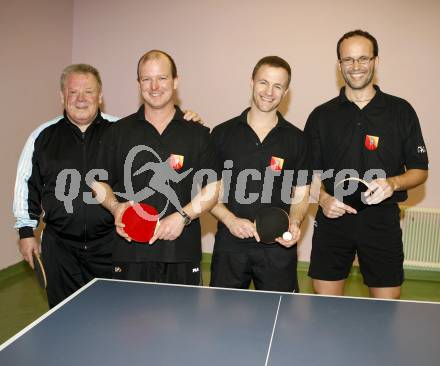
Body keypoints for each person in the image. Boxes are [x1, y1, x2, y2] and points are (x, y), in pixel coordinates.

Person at [13, 63, 201, 307]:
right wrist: (26, 232)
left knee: (115, 319)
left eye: (89, 92)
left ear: (100, 96)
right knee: (64, 318)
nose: (81, 99)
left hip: (110, 245)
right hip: (60, 250)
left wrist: (187, 121)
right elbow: (27, 185)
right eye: (73, 92)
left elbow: (160, 146)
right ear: (62, 96)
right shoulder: (42, 136)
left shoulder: (121, 130)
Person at [304, 30, 429, 299]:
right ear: (339, 65)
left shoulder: (401, 111)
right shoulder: (321, 116)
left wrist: (393, 183)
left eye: (363, 58)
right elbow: (309, 175)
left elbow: (420, 170)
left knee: (385, 310)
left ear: (376, 61)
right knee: (326, 309)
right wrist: (323, 199)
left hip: (382, 221)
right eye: (348, 60)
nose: (356, 67)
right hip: (333, 220)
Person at [93, 50, 221, 285]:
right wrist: (115, 208)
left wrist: (183, 217)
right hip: (131, 253)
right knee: (129, 322)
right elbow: (97, 181)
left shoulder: (198, 133)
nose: (154, 86)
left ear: (175, 82)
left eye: (162, 78)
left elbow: (213, 187)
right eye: (146, 79)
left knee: (185, 322)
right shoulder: (118, 132)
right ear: (138, 83)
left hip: (182, 254)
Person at [209, 56, 311, 292]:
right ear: (252, 82)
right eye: (263, 82)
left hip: (278, 248)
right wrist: (230, 219)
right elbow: (206, 194)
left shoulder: (298, 140)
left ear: (286, 92)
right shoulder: (222, 134)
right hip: (230, 246)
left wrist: (295, 222)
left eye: (278, 86)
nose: (269, 91)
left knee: (281, 318)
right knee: (222, 319)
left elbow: (302, 194)